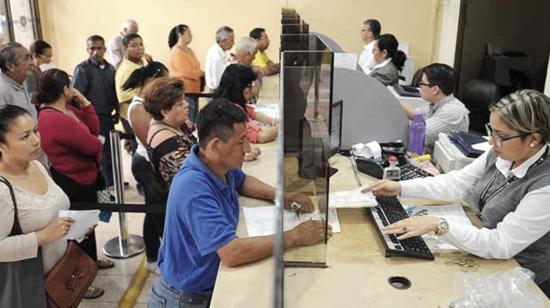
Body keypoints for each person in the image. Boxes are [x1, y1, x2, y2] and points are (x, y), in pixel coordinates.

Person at [364, 89, 550, 298]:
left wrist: (439, 224)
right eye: (492, 131)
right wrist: (401, 188)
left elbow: (501, 244)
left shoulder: (545, 186)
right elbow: (457, 182)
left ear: (534, 139)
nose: (491, 142)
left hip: (516, 276)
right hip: (480, 246)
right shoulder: (502, 153)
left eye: (502, 136)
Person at [149, 99, 332, 307]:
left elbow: (242, 180)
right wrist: (295, 236)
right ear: (216, 145)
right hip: (187, 298)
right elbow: (232, 253)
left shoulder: (215, 163)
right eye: (241, 141)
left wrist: (283, 196)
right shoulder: (192, 188)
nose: (247, 148)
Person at [36, 69, 112, 299]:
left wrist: (86, 103)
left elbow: (94, 130)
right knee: (78, 231)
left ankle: (91, 262)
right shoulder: (52, 117)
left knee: (89, 226)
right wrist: (93, 140)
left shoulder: (66, 109)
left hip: (85, 176)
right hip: (72, 181)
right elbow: (93, 145)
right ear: (64, 89)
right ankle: (81, 279)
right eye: (70, 86)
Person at [0, 105, 74, 305]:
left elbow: (53, 208)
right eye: (24, 137)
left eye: (35, 131)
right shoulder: (2, 189)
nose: (35, 141)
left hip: (60, 278)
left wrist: (75, 226)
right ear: (2, 145)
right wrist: (43, 237)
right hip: (30, 289)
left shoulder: (37, 165)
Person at [124, 61, 169, 273]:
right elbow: (149, 141)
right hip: (146, 163)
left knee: (153, 212)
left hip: (156, 160)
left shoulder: (151, 102)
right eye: (163, 81)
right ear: (152, 80)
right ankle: (155, 257)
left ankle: (152, 255)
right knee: (157, 212)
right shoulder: (138, 106)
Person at [143, 77, 197, 235]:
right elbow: (192, 175)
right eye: (180, 104)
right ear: (164, 111)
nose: (187, 105)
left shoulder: (172, 124)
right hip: (179, 209)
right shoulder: (166, 141)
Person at [73, 35, 119, 188]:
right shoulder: (82, 69)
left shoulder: (110, 68)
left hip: (107, 116)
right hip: (92, 117)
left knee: (110, 150)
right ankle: (103, 182)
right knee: (97, 150)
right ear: (87, 50)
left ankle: (112, 180)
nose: (95, 52)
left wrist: (117, 109)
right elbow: (77, 95)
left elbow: (114, 91)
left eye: (99, 48)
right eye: (92, 49)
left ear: (105, 49)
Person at [401, 63, 469, 154]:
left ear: (435, 89)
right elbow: (416, 114)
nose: (419, 86)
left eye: (422, 83)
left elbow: (417, 136)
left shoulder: (452, 111)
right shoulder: (437, 103)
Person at [214, 64, 277, 145]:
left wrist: (273, 121)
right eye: (250, 86)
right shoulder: (232, 111)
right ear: (240, 87)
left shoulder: (226, 102)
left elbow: (253, 113)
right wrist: (281, 128)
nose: (253, 91)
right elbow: (261, 137)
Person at [115, 33, 149, 154]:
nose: (139, 48)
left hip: (145, 113)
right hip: (132, 115)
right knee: (139, 150)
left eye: (141, 44)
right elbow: (124, 97)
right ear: (125, 49)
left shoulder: (141, 62)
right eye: (134, 46)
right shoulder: (125, 70)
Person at [168, 24, 204, 123]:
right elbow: (187, 72)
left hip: (195, 90)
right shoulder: (176, 52)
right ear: (181, 35)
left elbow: (196, 67)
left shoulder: (189, 50)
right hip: (185, 91)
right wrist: (201, 73)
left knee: (194, 118)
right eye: (189, 33)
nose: (191, 36)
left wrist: (200, 73)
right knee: (189, 118)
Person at [0, 42, 35, 120]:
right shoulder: (2, 91)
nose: (32, 63)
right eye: (26, 59)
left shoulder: (22, 80)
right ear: (10, 66)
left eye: (30, 58)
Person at [205, 26, 234, 91]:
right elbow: (218, 83)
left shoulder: (219, 52)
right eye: (231, 40)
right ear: (223, 41)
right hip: (217, 92)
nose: (234, 43)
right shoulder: (217, 57)